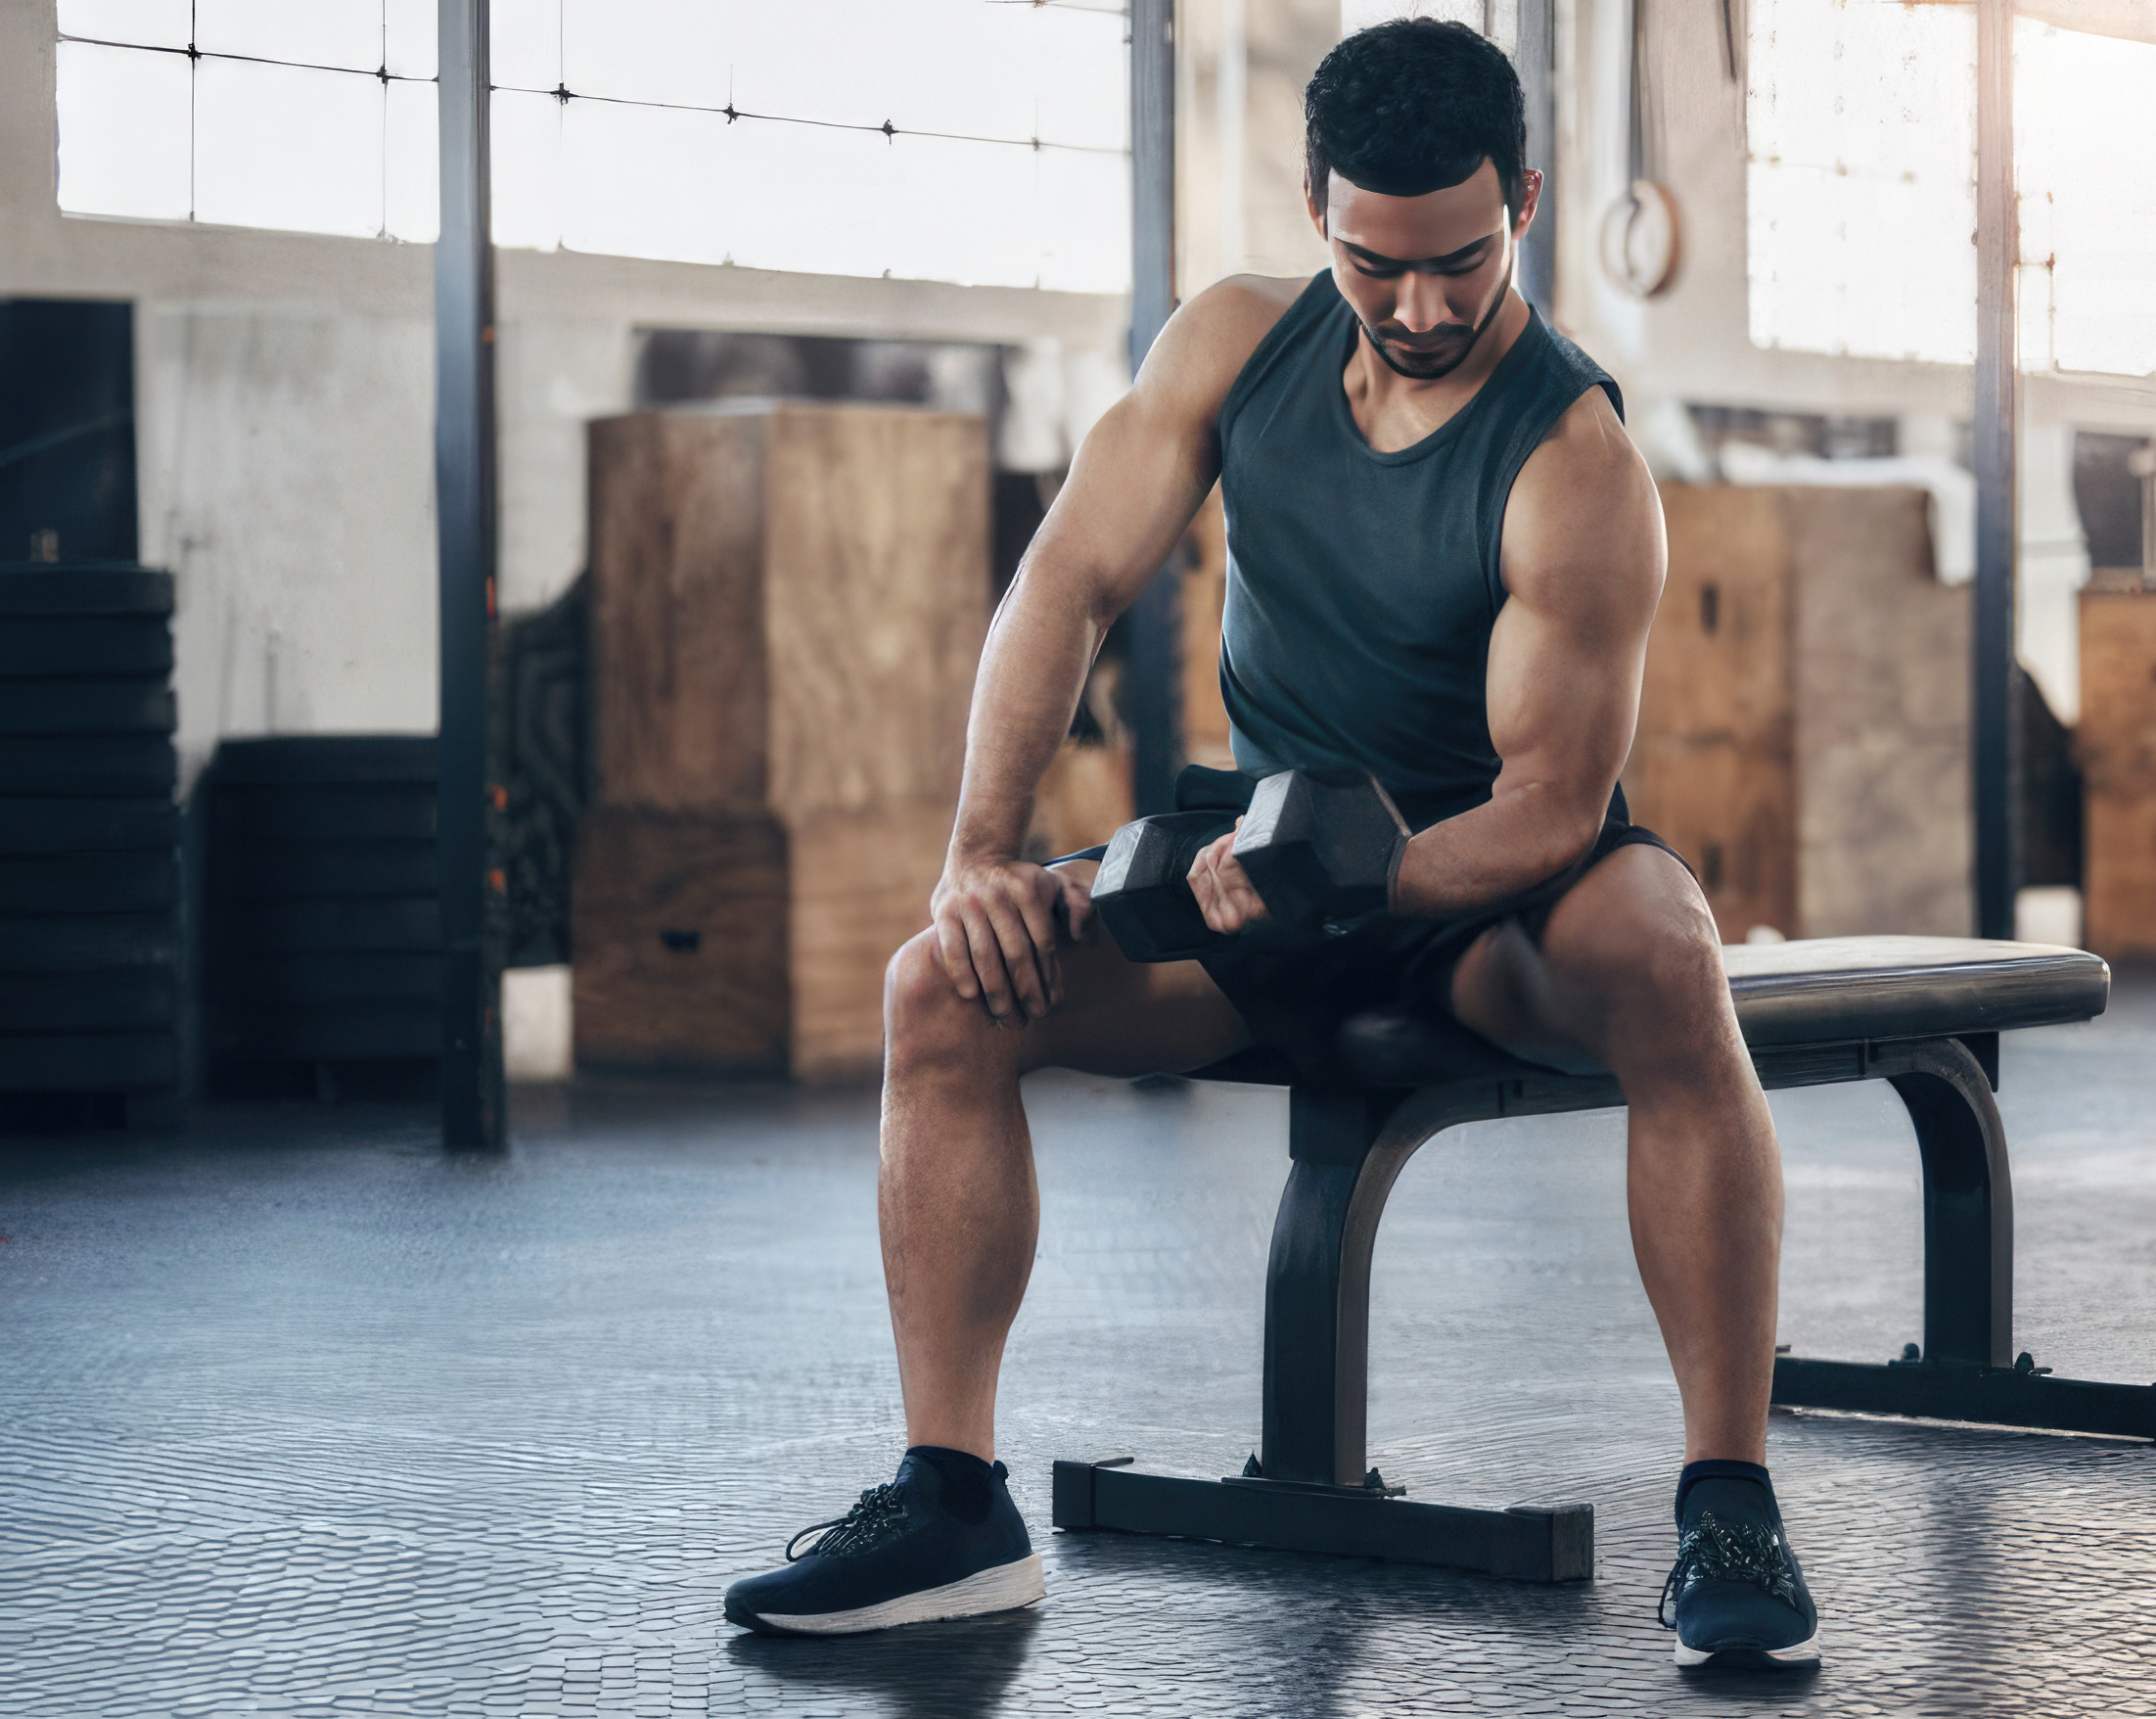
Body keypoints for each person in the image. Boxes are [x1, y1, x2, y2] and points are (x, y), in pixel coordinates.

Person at [723, 18, 1817, 1669]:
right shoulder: (1235, 348)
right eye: (1383, 266)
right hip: (1267, 854)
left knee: (1664, 947)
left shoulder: (1573, 458)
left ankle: (1727, 1501)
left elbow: (1551, 803)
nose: (1429, 306)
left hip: (1491, 893)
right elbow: (1063, 586)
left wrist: (1349, 883)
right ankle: (952, 1504)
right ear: (1319, 211)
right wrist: (979, 849)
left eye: (1463, 258)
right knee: (940, 991)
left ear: (1523, 199)